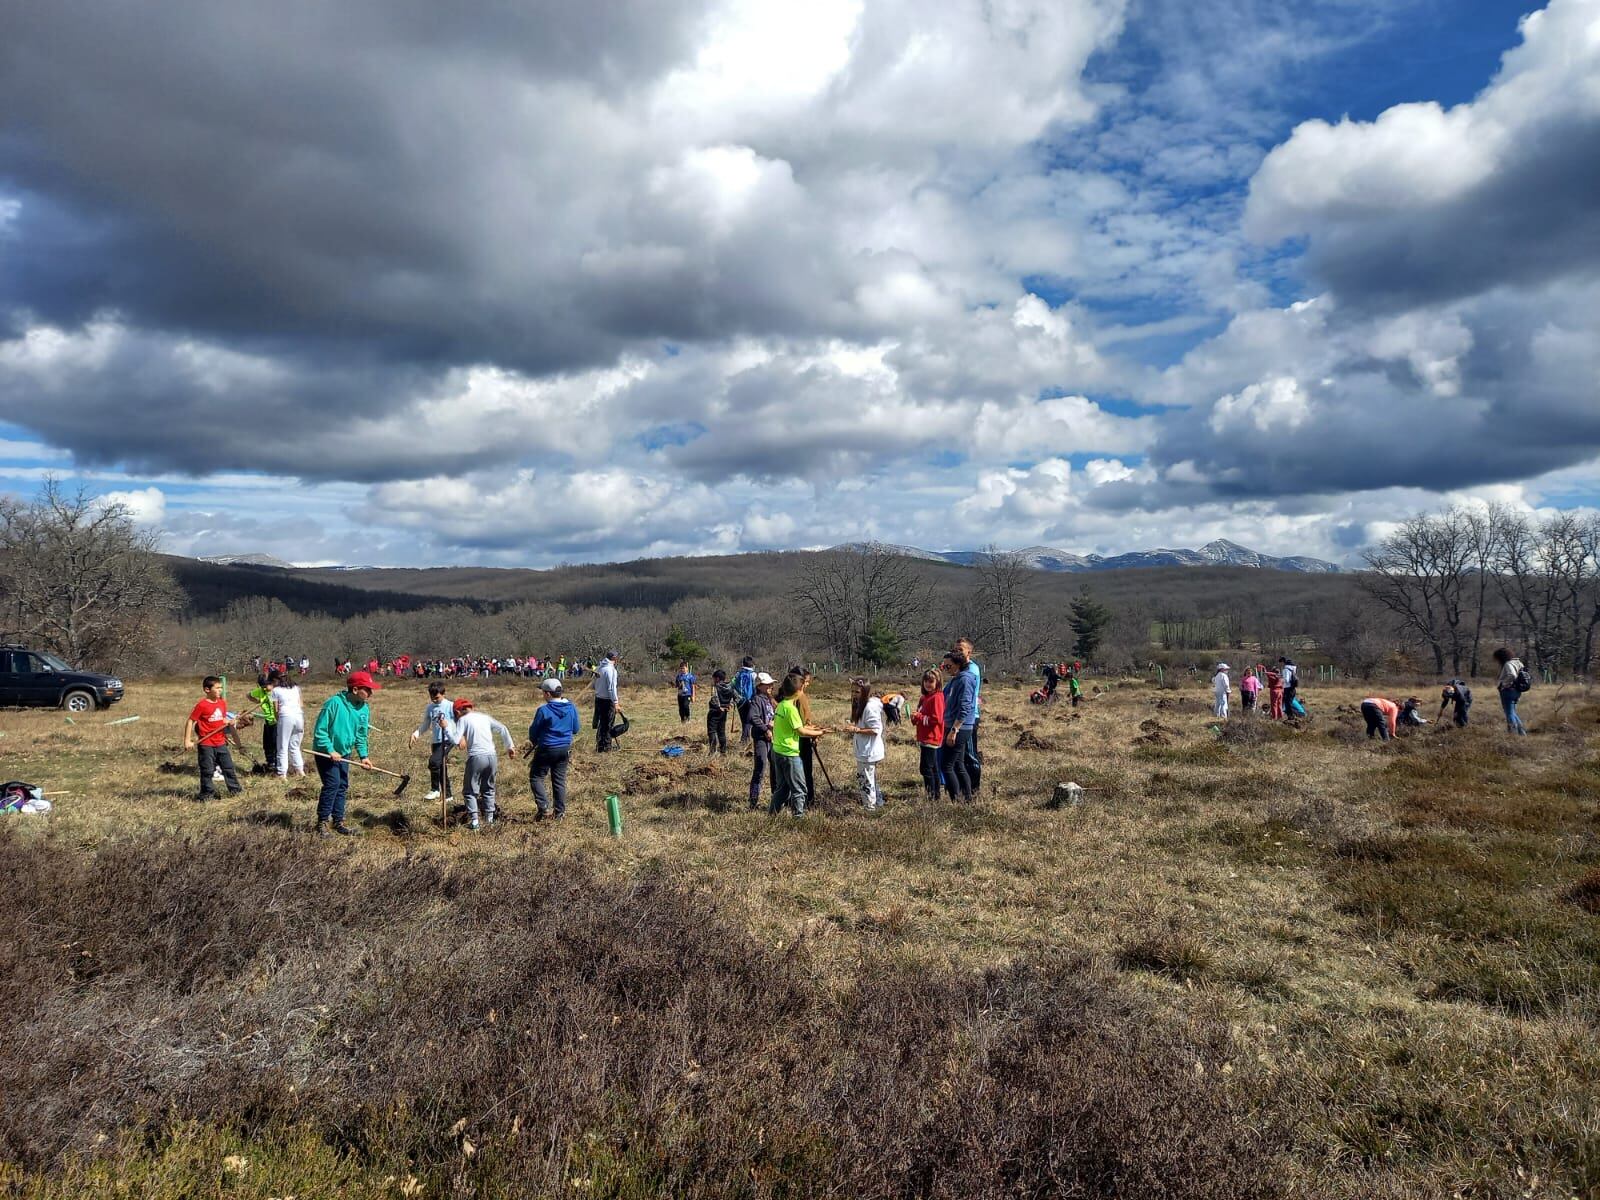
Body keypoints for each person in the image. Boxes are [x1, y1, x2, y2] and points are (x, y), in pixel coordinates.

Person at [310, 670, 378, 836]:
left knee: (342, 785)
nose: (371, 693)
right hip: (325, 753)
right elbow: (320, 731)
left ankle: (338, 822)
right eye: (367, 689)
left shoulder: (364, 709)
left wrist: (364, 756)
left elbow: (361, 735)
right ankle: (322, 823)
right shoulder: (333, 704)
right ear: (355, 690)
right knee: (332, 784)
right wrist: (330, 749)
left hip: (344, 753)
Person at [453, 698, 516, 830]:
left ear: (458, 712)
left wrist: (445, 727)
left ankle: (475, 822)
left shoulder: (463, 720)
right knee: (489, 788)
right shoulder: (485, 717)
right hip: (492, 756)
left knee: (470, 791)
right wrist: (510, 746)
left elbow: (456, 739)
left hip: (476, 757)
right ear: (471, 708)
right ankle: (490, 820)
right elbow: (503, 728)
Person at [770, 673, 824, 818]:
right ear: (798, 691)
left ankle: (772, 815)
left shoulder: (781, 705)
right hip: (790, 754)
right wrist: (817, 733)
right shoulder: (791, 709)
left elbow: (794, 727)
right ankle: (798, 819)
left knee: (781, 788)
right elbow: (800, 731)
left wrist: (815, 730)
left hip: (778, 751)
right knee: (800, 789)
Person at [528, 678, 581, 820]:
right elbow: (576, 729)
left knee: (536, 777)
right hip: (564, 748)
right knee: (559, 780)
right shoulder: (571, 707)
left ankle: (544, 807)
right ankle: (559, 812)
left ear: (548, 694)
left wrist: (535, 740)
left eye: (543, 692)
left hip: (546, 748)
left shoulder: (543, 710)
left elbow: (534, 731)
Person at [185, 676, 242, 801]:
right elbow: (190, 721)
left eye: (221, 687)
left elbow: (221, 718)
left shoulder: (222, 703)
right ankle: (207, 794)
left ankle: (236, 791)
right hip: (206, 743)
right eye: (217, 688)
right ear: (207, 690)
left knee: (228, 767)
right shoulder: (202, 705)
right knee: (207, 770)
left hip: (220, 742)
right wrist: (187, 741)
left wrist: (228, 721)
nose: (220, 690)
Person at [841, 677, 886, 810]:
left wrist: (857, 730)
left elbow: (875, 729)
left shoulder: (869, 707)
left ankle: (870, 807)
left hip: (868, 751)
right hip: (864, 749)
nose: (854, 694)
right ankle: (878, 802)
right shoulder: (861, 705)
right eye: (853, 691)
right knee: (870, 778)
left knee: (865, 780)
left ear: (865, 691)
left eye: (857, 692)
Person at [411, 681, 457, 803]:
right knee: (441, 767)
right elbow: (426, 723)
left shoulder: (451, 706)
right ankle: (448, 796)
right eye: (432, 698)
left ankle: (435, 789)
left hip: (448, 739)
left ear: (443, 694)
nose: (434, 700)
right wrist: (416, 733)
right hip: (436, 741)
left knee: (434, 762)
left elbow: (460, 721)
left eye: (437, 697)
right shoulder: (430, 707)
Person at [941, 649, 977, 802]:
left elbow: (965, 706)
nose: (945, 669)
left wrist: (954, 730)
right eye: (944, 666)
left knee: (947, 765)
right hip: (953, 725)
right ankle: (967, 798)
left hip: (960, 728)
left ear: (957, 665)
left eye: (948, 666)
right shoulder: (956, 679)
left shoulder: (965, 680)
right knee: (958, 764)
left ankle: (956, 800)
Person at [911, 668, 946, 801]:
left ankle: (932, 796)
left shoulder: (937, 697)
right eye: (926, 681)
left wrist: (919, 717)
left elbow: (937, 719)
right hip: (924, 737)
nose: (928, 684)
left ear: (937, 682)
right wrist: (915, 717)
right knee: (933, 767)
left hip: (932, 738)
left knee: (927, 768)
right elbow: (920, 714)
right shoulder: (924, 697)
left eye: (931, 681)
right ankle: (935, 795)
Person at [746, 672, 777, 809]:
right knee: (761, 767)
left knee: (775, 768)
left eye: (771, 684)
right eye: (767, 684)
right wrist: (766, 729)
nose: (771, 686)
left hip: (772, 738)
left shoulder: (770, 700)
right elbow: (753, 717)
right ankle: (753, 800)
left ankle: (776, 797)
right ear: (760, 686)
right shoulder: (757, 700)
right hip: (761, 738)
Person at [956, 638, 983, 793]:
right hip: (958, 718)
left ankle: (974, 789)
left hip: (969, 718)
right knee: (960, 756)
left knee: (970, 755)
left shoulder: (971, 670)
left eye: (961, 649)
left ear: (969, 652)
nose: (958, 652)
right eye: (956, 649)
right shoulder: (960, 669)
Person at [788, 665, 818, 800]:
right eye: (805, 681)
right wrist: (813, 733)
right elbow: (801, 723)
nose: (807, 684)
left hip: (801, 736)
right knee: (804, 772)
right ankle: (807, 800)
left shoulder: (796, 696)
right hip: (800, 738)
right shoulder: (797, 697)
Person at [271, 671, 306, 777]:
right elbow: (301, 704)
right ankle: (300, 770)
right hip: (299, 716)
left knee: (282, 745)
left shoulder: (275, 690)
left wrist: (278, 720)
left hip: (285, 716)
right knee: (295, 745)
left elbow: (276, 709)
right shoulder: (296, 688)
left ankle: (282, 773)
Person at [1493, 647, 1530, 736]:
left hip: (1508, 690)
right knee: (1513, 712)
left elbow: (1512, 675)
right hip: (1517, 691)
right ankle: (1522, 733)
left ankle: (1513, 734)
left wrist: (1504, 684)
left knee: (1509, 713)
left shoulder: (1508, 664)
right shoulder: (1518, 662)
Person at [249, 671, 279, 772]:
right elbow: (248, 695)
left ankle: (277, 763)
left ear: (272, 683)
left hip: (277, 722)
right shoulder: (260, 691)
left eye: (266, 686)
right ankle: (270, 762)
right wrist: (257, 701)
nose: (265, 688)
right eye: (262, 687)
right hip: (268, 721)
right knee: (267, 744)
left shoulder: (276, 692)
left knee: (275, 743)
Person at [594, 650, 620, 752]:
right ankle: (606, 747)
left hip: (598, 699)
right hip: (607, 700)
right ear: (614, 658)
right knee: (608, 724)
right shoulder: (610, 670)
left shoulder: (599, 668)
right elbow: (611, 688)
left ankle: (600, 746)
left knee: (602, 724)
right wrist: (616, 702)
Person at [706, 668, 735, 755]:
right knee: (721, 732)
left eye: (714, 678)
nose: (713, 680)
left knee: (712, 731)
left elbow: (714, 698)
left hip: (714, 712)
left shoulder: (715, 687)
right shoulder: (730, 687)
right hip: (724, 712)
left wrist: (718, 707)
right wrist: (730, 705)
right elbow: (738, 698)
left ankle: (712, 751)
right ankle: (723, 751)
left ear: (717, 678)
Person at [734, 656, 758, 748]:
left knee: (744, 720)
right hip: (750, 700)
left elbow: (733, 686)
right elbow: (755, 688)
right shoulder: (753, 674)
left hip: (740, 700)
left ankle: (745, 739)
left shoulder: (738, 674)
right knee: (749, 720)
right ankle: (745, 739)